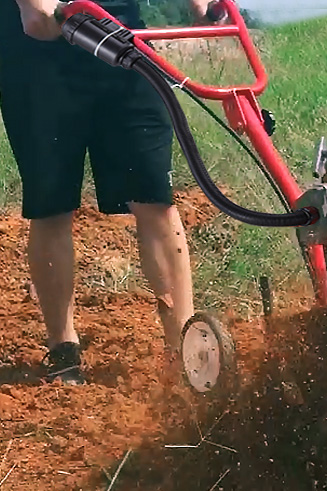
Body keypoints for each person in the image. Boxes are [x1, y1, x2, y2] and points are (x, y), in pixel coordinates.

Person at [0, 0, 208, 384]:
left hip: (119, 32)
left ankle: (188, 347)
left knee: (154, 194)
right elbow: (37, 17)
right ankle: (64, 350)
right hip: (39, 51)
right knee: (51, 202)